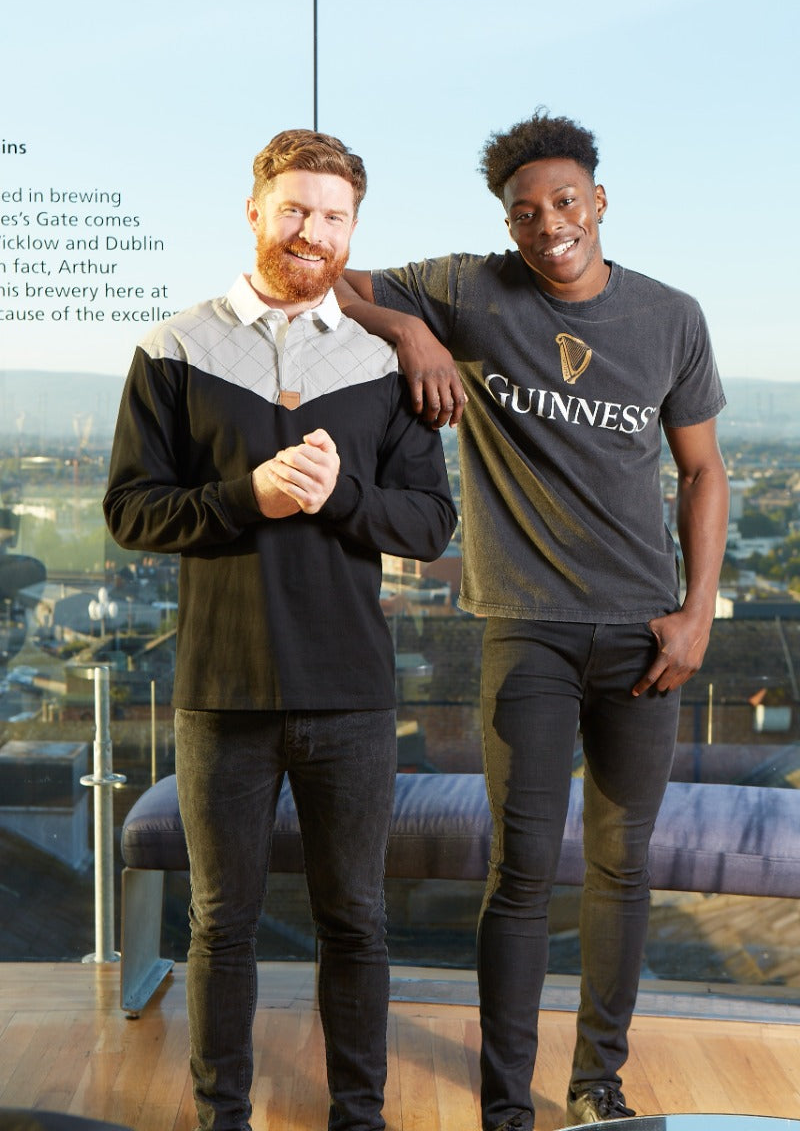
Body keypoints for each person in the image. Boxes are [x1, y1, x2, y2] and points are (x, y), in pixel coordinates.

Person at [335, 110, 730, 1129]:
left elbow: (700, 471)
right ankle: (506, 1107)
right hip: (527, 632)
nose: (547, 222)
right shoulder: (468, 289)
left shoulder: (670, 317)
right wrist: (416, 331)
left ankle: (596, 1085)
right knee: (518, 870)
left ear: (597, 202)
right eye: (525, 211)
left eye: (563, 201)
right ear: (505, 225)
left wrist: (693, 618)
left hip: (645, 634)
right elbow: (335, 281)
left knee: (621, 864)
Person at [103, 129, 457, 1131]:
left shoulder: (388, 362)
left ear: (353, 231)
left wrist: (342, 496)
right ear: (254, 211)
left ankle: (360, 1118)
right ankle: (220, 1118)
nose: (311, 230)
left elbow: (430, 526)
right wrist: (247, 495)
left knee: (356, 922)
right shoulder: (172, 350)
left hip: (351, 692)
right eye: (294, 209)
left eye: (333, 216)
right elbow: (132, 515)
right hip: (221, 691)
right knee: (220, 926)